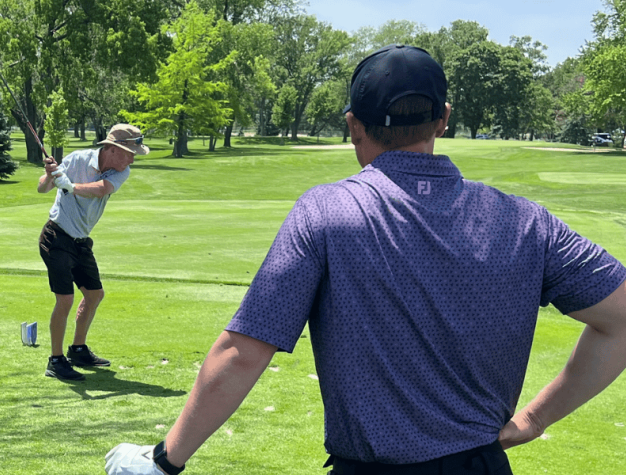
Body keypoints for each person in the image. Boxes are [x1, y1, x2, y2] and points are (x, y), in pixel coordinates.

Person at [106, 44, 626, 475]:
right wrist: (533, 420)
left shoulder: (325, 212)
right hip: (482, 466)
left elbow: (242, 352)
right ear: (443, 119)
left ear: (353, 124)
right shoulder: (526, 221)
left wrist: (162, 462)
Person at [37, 124, 149, 381]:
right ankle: (55, 361)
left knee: (95, 294)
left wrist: (71, 186)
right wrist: (50, 175)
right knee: (64, 300)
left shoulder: (122, 171)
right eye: (130, 153)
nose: (132, 159)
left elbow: (100, 189)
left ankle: (77, 349)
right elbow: (42, 188)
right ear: (112, 149)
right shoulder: (77, 159)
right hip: (56, 236)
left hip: (80, 241)